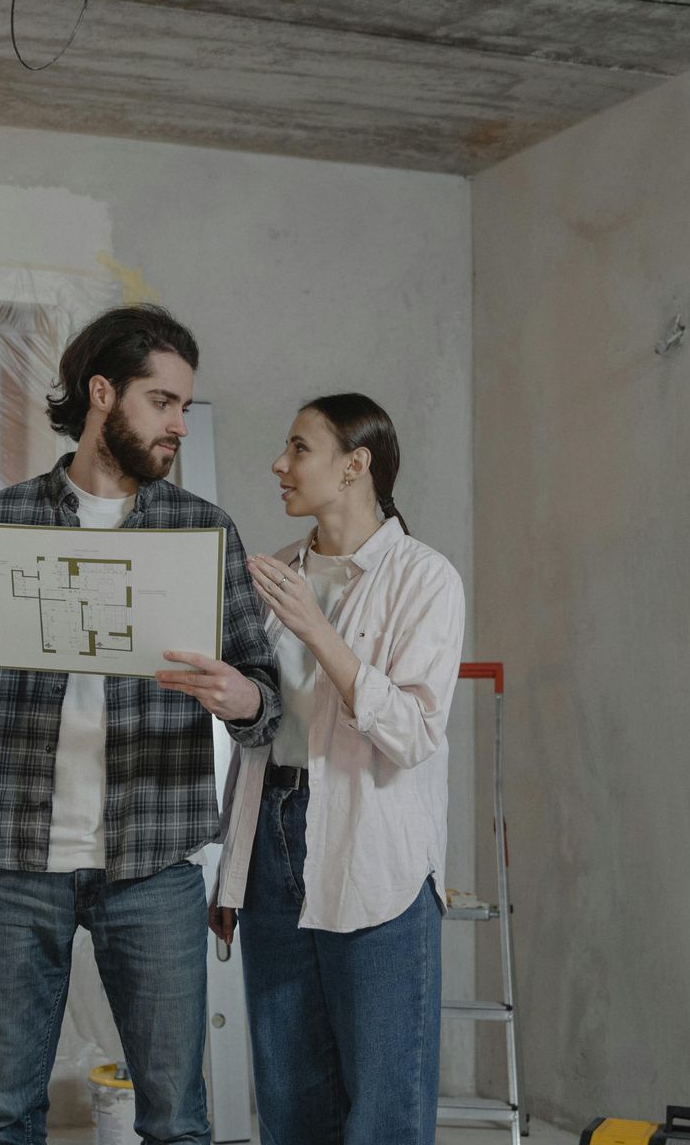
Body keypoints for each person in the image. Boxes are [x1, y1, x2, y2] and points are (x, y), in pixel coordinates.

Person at [0, 304, 280, 1145]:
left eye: (185, 405)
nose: (180, 423)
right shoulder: (1, 520)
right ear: (102, 393)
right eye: (162, 401)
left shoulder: (202, 530)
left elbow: (267, 708)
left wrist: (241, 699)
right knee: (3, 1117)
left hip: (151, 868)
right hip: (15, 859)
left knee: (177, 1121)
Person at [210, 392, 465, 1145]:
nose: (278, 465)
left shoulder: (425, 579)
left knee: (384, 1110)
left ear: (356, 466)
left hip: (375, 854)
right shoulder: (274, 575)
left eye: (298, 448)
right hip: (270, 847)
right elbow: (262, 733)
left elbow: (414, 732)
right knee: (288, 1103)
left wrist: (319, 631)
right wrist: (233, 867)